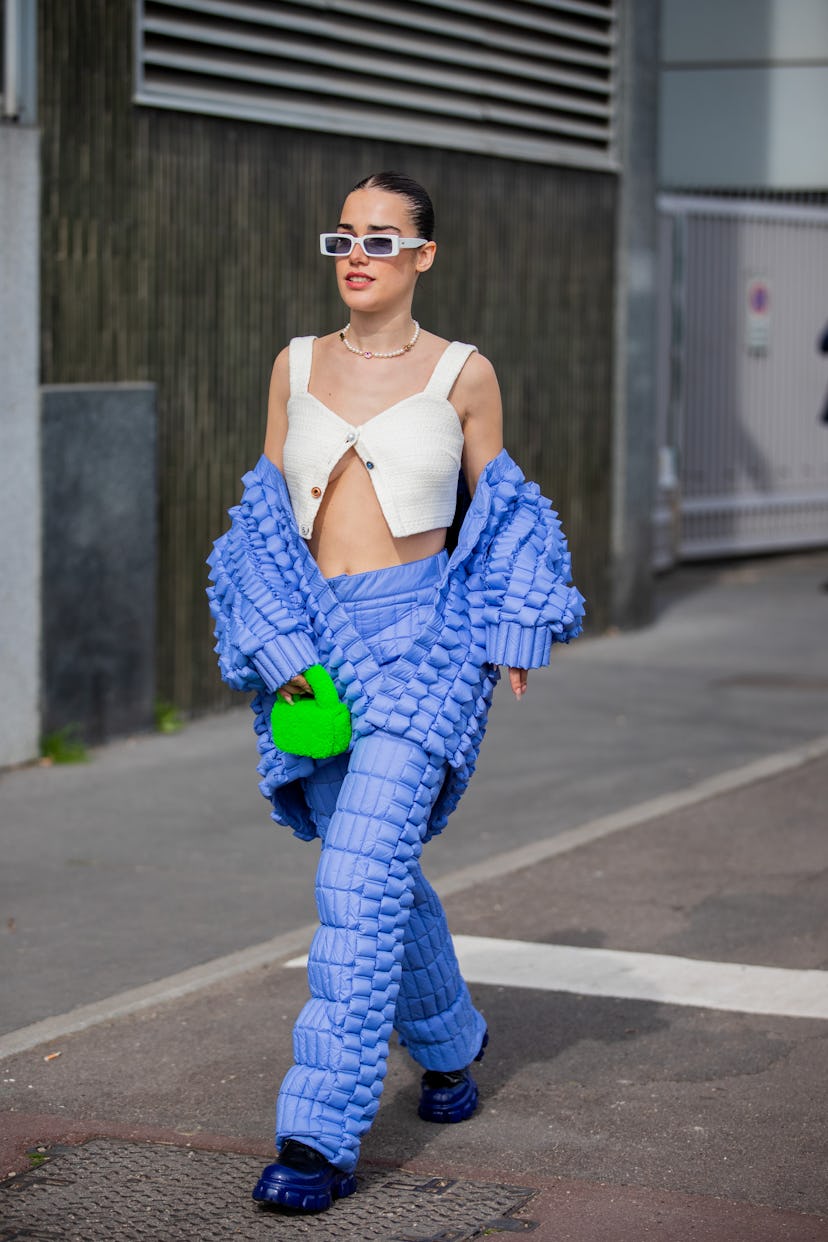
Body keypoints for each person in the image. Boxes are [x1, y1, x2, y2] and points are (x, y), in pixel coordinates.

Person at [207, 171, 584, 1213]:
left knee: (356, 875)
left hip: (425, 648)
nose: (357, 253)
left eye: (381, 237)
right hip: (314, 656)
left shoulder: (464, 374)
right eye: (343, 238)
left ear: (424, 255)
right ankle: (454, 1045)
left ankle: (318, 1135)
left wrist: (512, 624)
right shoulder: (292, 365)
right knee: (374, 876)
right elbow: (258, 519)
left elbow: (505, 509)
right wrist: (274, 639)